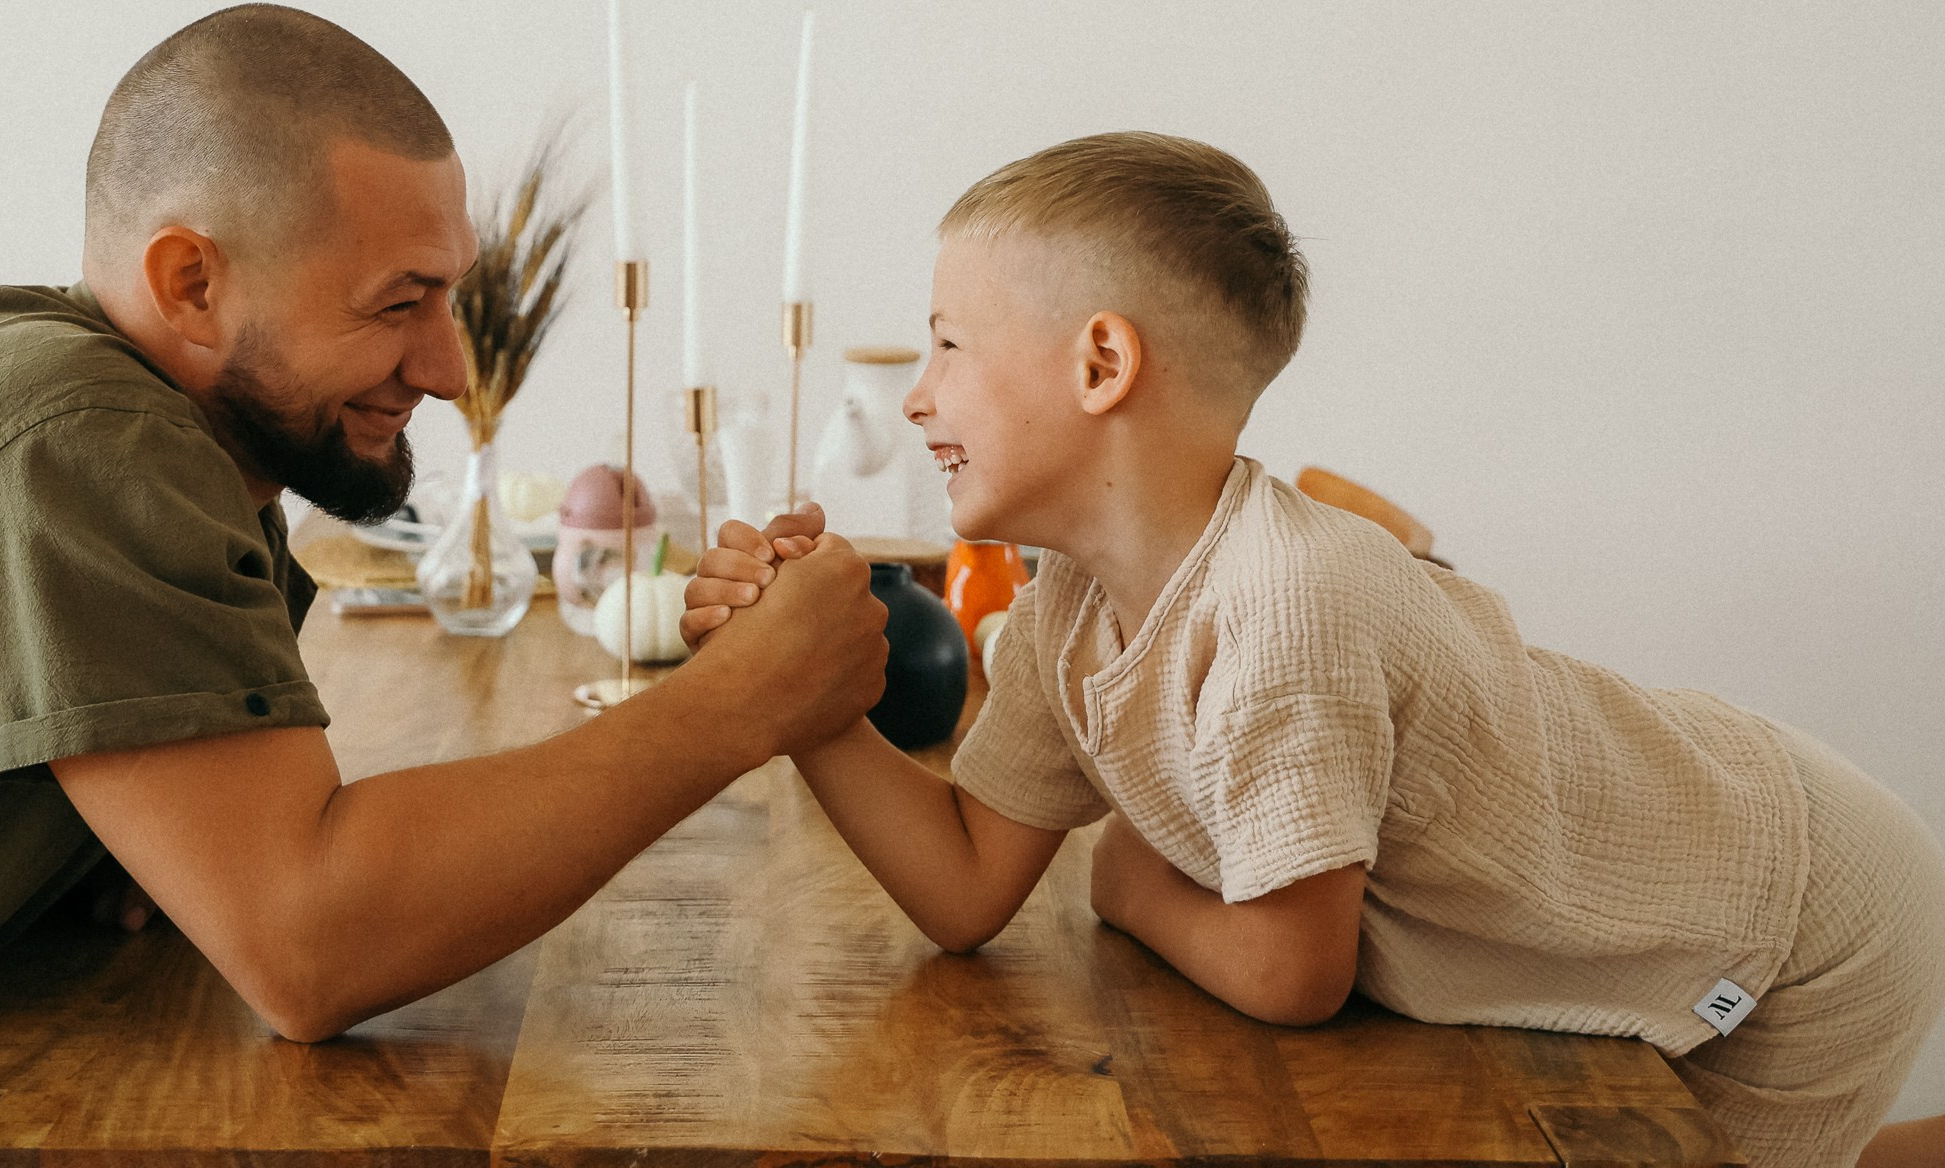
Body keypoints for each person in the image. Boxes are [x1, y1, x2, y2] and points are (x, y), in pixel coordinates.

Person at [0, 4, 889, 1167]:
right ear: (191, 281)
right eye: (397, 302)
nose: (449, 370)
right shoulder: (79, 439)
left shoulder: (87, 400)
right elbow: (311, 948)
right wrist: (734, 710)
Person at [683, 131, 1945, 1168]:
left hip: (1794, 921)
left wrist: (1125, 876)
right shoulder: (1071, 598)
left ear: (1103, 363)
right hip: (1709, 872)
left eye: (949, 341)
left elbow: (1292, 970)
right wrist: (799, 701)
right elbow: (963, 890)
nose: (916, 393)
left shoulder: (1288, 605)